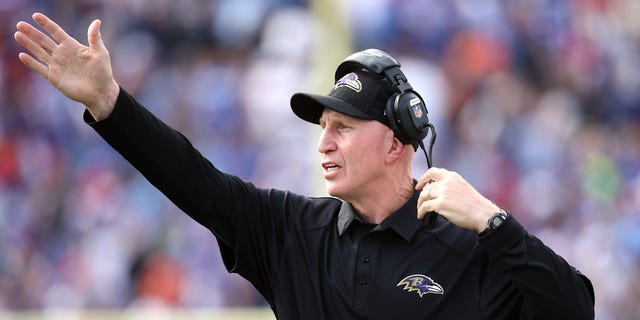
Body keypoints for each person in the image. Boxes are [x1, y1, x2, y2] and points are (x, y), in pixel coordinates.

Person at [14, 12, 594, 319]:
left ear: (397, 143)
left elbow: (575, 310)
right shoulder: (294, 232)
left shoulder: (471, 246)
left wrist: (495, 223)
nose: (324, 144)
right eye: (322, 129)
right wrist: (110, 104)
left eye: (343, 128)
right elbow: (191, 177)